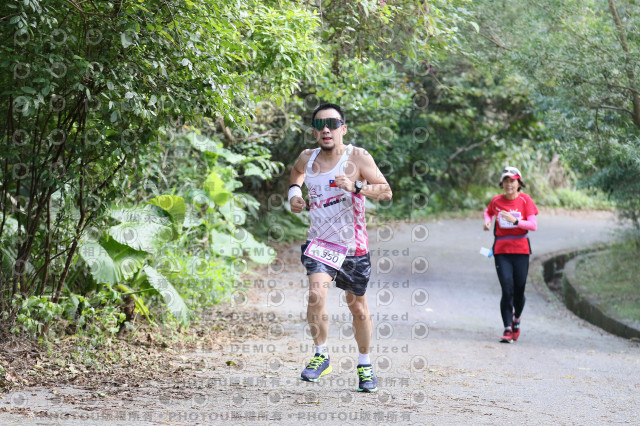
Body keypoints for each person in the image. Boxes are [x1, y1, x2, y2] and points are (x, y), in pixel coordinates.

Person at [287, 103, 392, 392]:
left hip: (352, 247)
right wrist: (294, 194)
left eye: (332, 124)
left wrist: (356, 187)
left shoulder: (358, 157)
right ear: (314, 132)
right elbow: (296, 174)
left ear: (342, 129)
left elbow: (386, 191)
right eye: (320, 125)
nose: (326, 129)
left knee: (357, 306)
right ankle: (321, 355)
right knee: (315, 293)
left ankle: (365, 363)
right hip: (320, 243)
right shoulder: (307, 157)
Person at [483, 166, 538, 343]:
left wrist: (515, 221)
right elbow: (488, 212)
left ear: (519, 183)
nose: (509, 184)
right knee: (507, 289)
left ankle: (516, 320)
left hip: (521, 249)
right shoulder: (496, 201)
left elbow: (533, 225)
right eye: (506, 181)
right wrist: (487, 221)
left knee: (519, 291)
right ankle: (507, 328)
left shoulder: (525, 200)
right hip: (501, 250)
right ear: (502, 183)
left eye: (512, 181)